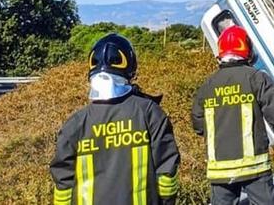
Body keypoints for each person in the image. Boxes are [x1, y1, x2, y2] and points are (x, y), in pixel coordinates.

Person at [50, 33, 180, 205]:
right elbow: (167, 173)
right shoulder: (149, 113)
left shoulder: (75, 124)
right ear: (130, 68)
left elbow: (63, 186)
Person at [192, 25, 274, 205]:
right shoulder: (256, 78)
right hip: (254, 169)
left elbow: (198, 126)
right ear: (247, 49)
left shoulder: (207, 86)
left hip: (220, 171)